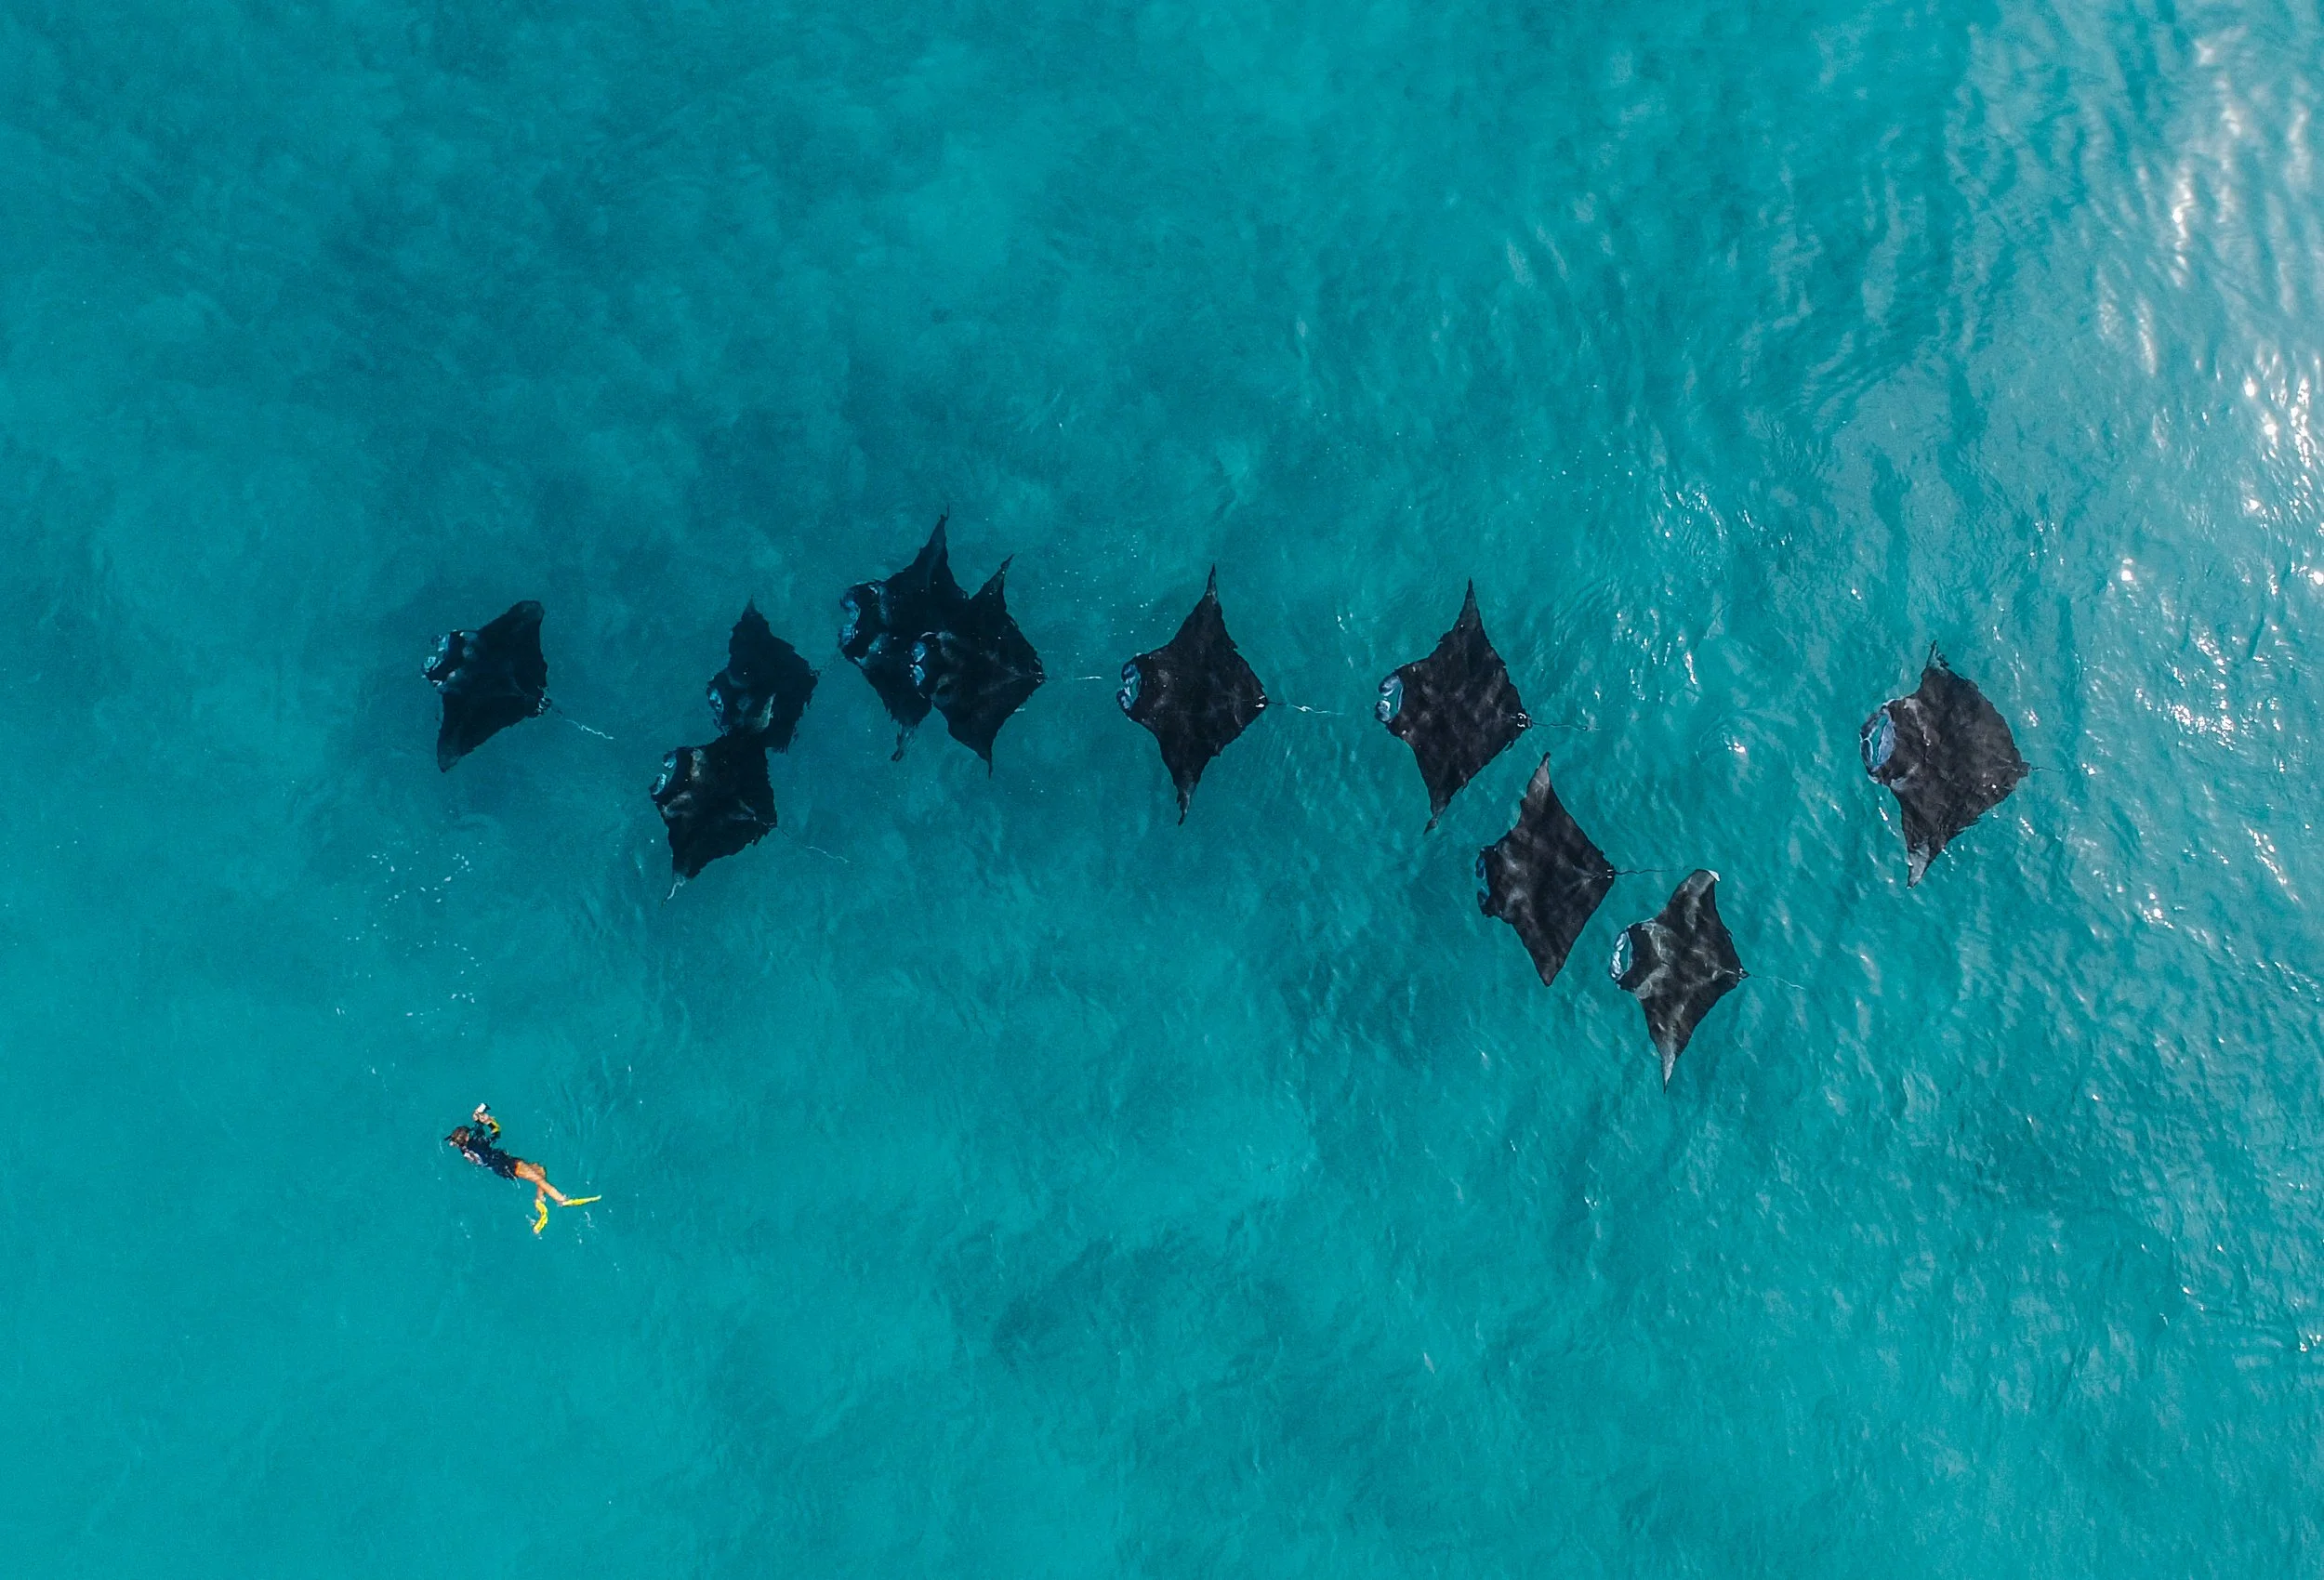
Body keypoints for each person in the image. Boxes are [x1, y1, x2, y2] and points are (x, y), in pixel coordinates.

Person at [446, 1104, 600, 1233]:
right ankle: (561, 1200)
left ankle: (539, 1200)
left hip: (499, 1167)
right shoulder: (478, 1142)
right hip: (506, 1163)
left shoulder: (465, 1149)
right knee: (538, 1178)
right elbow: (496, 1133)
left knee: (539, 1169)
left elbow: (476, 1136)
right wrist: (489, 1122)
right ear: (467, 1137)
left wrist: (479, 1121)